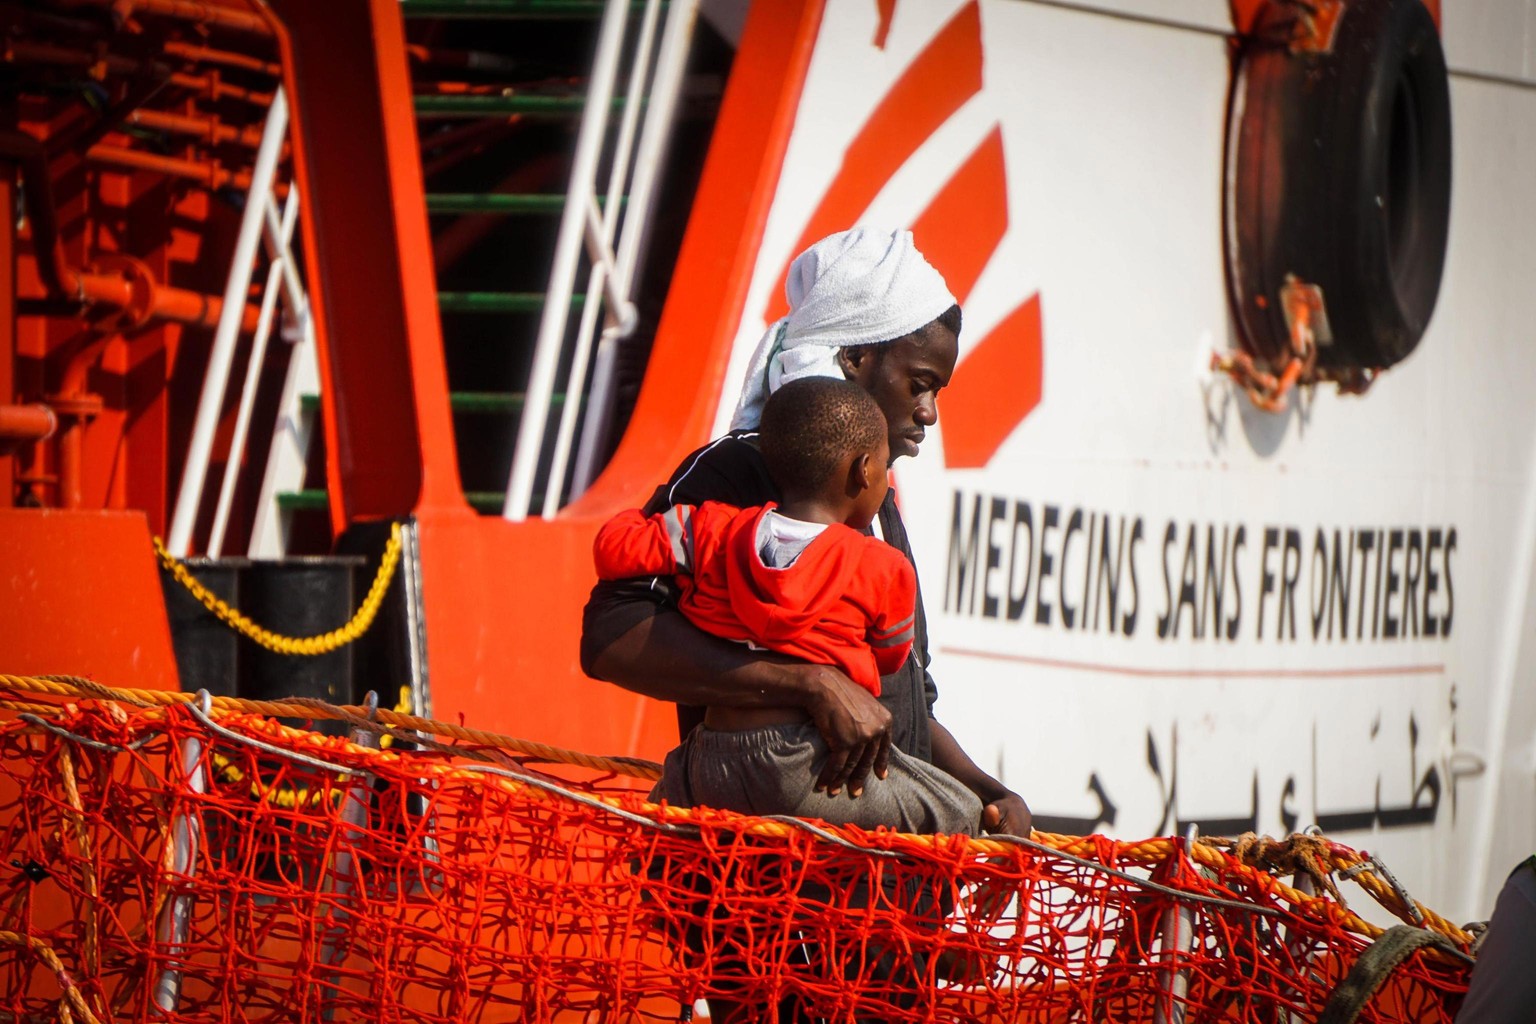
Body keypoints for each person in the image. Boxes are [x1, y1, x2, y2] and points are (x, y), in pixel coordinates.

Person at [580, 224, 1030, 836]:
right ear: (855, 358)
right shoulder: (738, 468)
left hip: (872, 892)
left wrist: (992, 792)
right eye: (919, 384)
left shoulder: (875, 502)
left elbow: (904, 702)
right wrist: (808, 684)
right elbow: (611, 636)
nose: (928, 413)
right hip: (758, 884)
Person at [593, 376, 982, 835]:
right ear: (862, 471)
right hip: (805, 766)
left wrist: (641, 516)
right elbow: (895, 655)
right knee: (961, 810)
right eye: (882, 469)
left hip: (708, 758)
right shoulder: (882, 566)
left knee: (673, 829)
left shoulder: (713, 530)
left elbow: (614, 548)